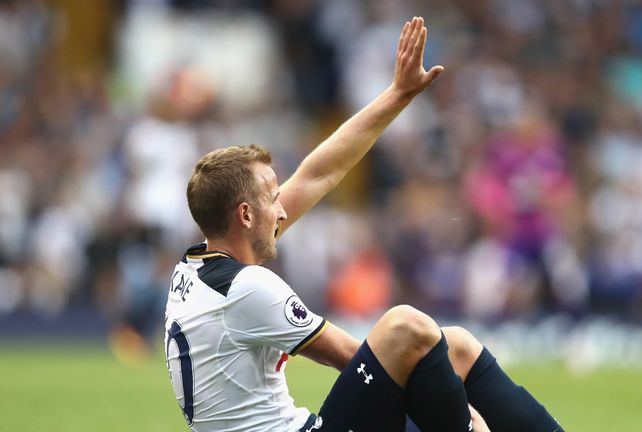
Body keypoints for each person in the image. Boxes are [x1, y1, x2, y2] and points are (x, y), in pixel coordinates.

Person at [164, 17, 563, 432]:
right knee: (406, 327)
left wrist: (398, 95)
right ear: (245, 215)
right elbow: (354, 357)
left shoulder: (200, 267)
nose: (283, 209)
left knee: (454, 347)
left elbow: (317, 174)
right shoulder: (247, 288)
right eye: (272, 198)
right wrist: (462, 416)